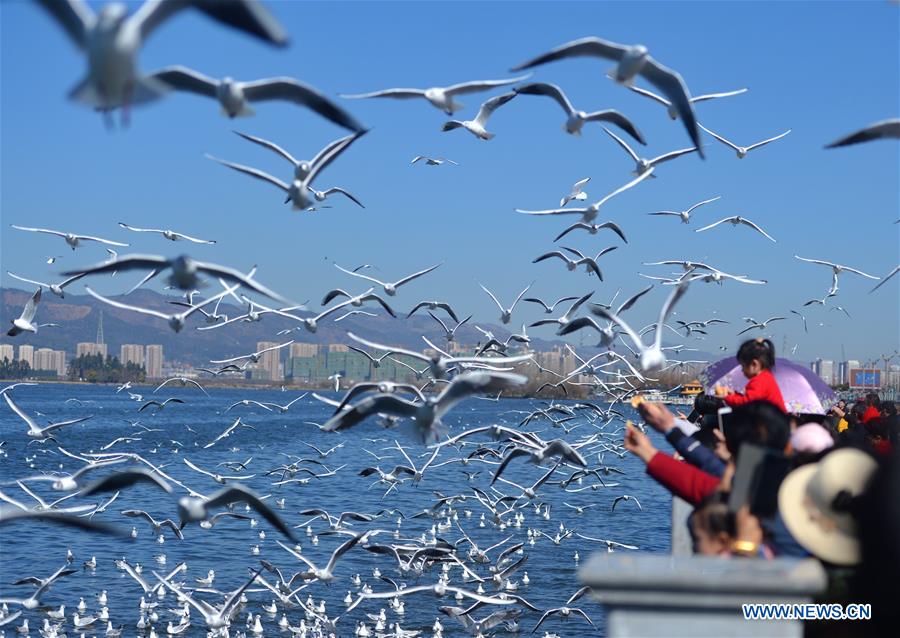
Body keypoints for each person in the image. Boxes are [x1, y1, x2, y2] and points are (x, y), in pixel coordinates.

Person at [715, 338, 786, 412]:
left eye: (743, 366)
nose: (742, 370)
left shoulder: (759, 382)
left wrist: (727, 398)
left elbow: (747, 403)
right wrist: (734, 395)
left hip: (773, 422)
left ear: (754, 364)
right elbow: (750, 398)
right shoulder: (765, 377)